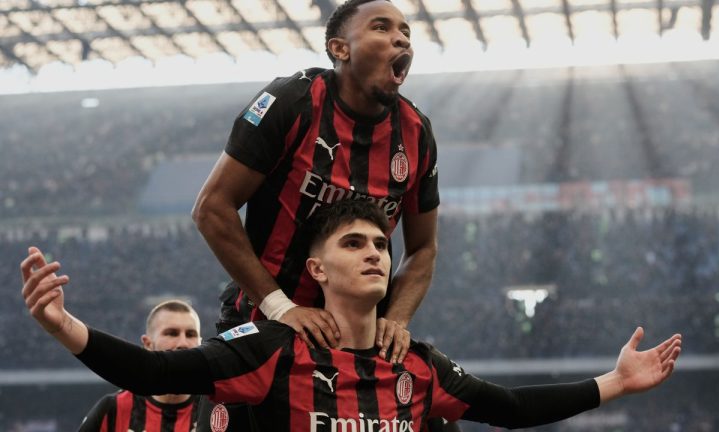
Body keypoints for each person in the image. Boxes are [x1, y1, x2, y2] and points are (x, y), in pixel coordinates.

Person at [22, 200, 682, 432]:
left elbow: (508, 407)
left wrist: (615, 383)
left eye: (380, 245)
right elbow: (151, 372)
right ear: (316, 270)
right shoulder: (274, 349)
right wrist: (62, 325)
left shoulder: (415, 363)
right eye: (353, 243)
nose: (373, 253)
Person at [192, 0, 440, 427]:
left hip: (356, 343)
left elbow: (423, 248)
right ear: (340, 48)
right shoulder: (292, 101)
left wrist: (397, 319)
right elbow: (212, 208)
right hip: (265, 325)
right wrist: (282, 307)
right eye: (382, 28)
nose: (401, 38)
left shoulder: (416, 133)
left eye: (406, 32)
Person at [78, 299, 202, 432]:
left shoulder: (213, 408)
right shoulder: (113, 409)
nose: (183, 343)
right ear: (148, 344)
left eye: (191, 335)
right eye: (172, 333)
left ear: (201, 343)